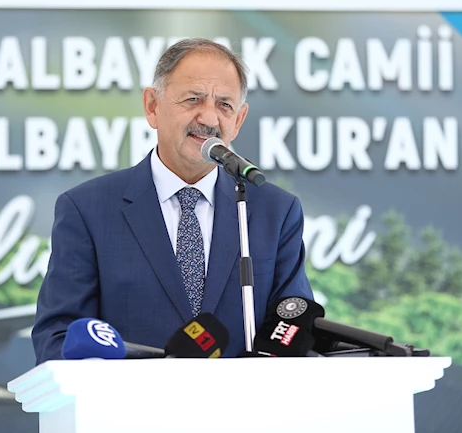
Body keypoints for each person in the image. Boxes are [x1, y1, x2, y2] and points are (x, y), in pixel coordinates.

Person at [32, 38, 313, 362]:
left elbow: (293, 328)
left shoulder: (274, 211)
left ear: (238, 119)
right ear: (152, 106)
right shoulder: (88, 210)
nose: (208, 118)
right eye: (193, 99)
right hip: (128, 409)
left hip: (243, 409)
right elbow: (58, 338)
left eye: (224, 104)